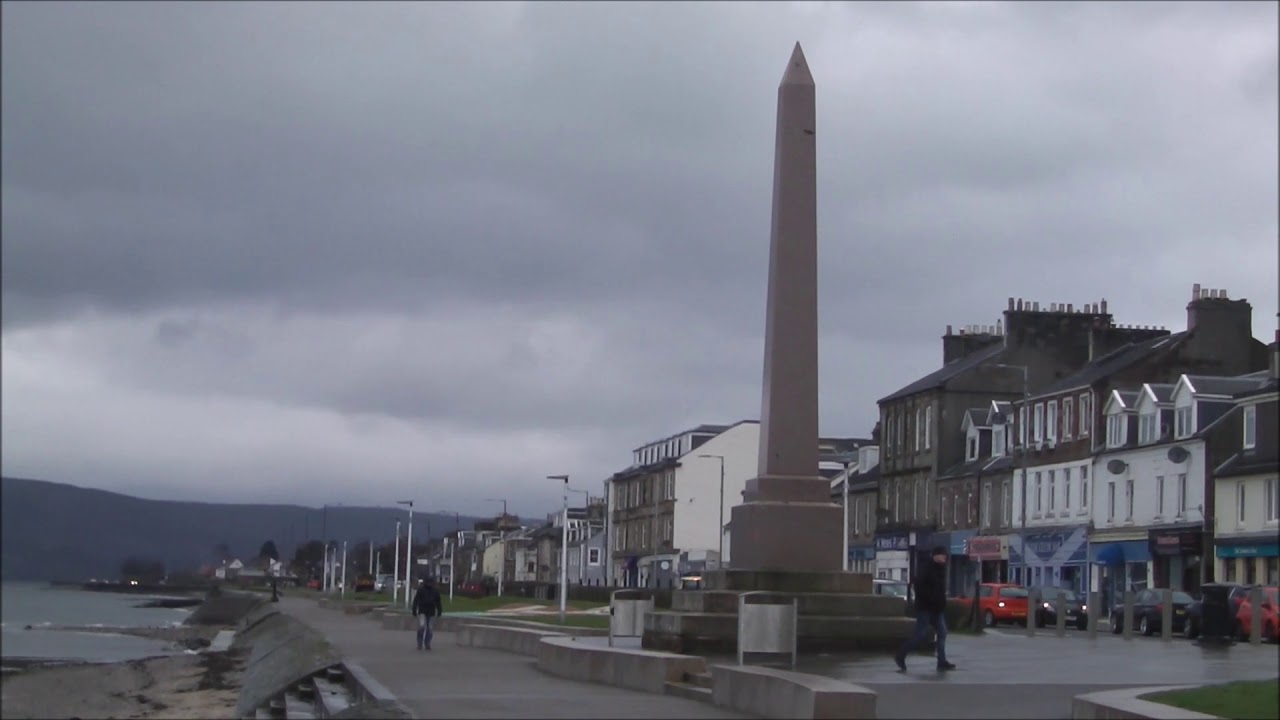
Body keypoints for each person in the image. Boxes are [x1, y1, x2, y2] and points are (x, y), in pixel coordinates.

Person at [895, 546, 956, 671]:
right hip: (926, 608)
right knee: (920, 635)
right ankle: (901, 654)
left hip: (937, 609)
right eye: (942, 555)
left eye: (945, 555)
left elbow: (940, 589)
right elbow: (919, 586)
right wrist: (930, 598)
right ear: (935, 556)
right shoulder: (927, 568)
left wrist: (941, 602)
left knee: (942, 632)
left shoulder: (941, 569)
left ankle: (941, 661)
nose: (944, 557)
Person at [412, 576, 444, 651]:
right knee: (422, 626)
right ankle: (419, 643)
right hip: (422, 611)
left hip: (431, 612)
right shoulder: (421, 590)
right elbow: (416, 600)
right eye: (428, 583)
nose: (429, 584)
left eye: (431, 583)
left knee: (430, 629)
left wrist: (439, 611)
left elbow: (438, 602)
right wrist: (414, 610)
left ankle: (427, 643)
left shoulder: (435, 591)